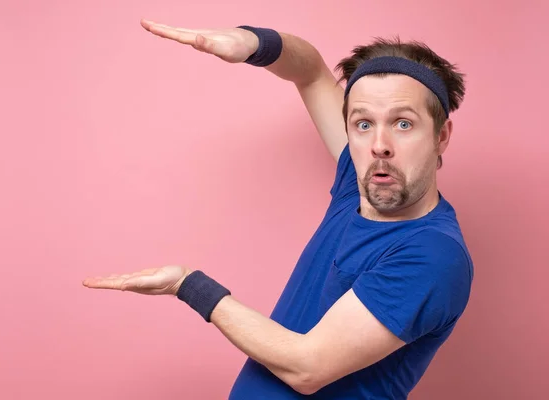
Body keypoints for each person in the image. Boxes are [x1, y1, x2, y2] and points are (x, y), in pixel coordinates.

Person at [83, 20, 474, 399]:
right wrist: (255, 44)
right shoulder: (358, 185)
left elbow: (307, 368)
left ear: (440, 136)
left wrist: (188, 285)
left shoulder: (432, 255)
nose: (380, 145)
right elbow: (311, 71)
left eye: (403, 124)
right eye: (363, 124)